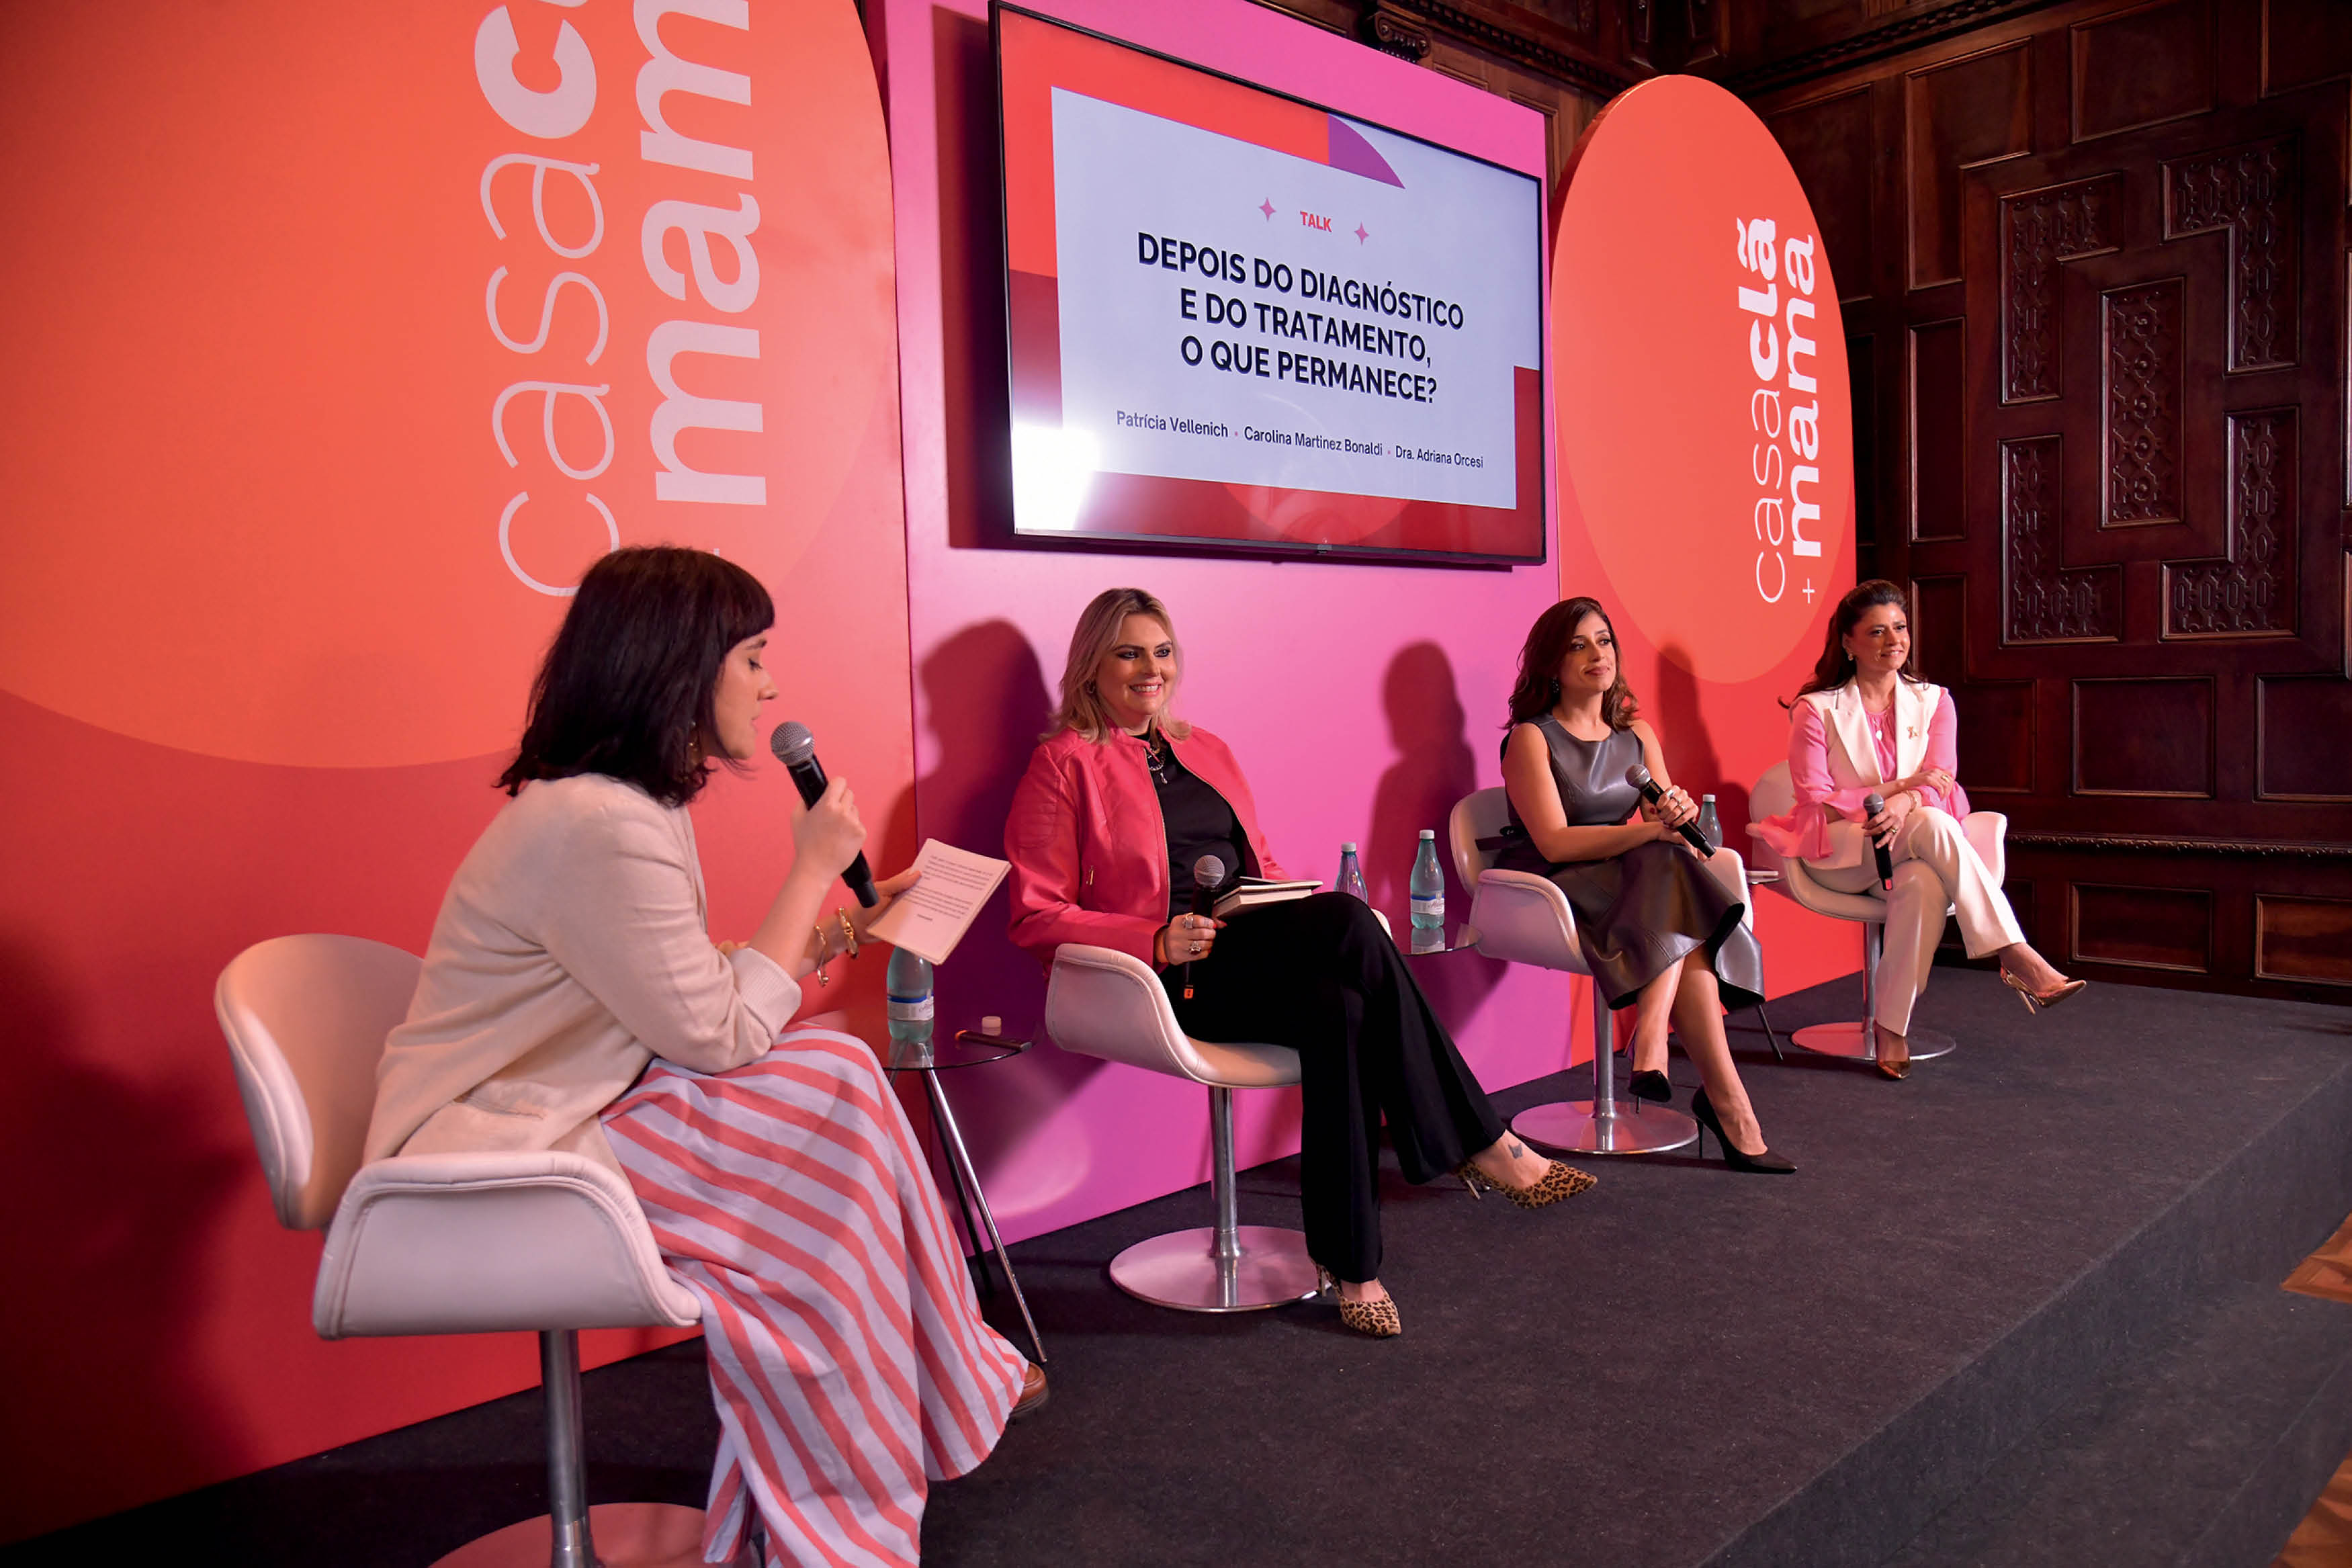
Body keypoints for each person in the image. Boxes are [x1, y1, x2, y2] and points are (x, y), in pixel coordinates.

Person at [365, 547, 1037, 1568]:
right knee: (829, 1120)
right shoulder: (598, 822)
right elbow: (717, 1034)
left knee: (839, 1077)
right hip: (511, 1142)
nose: (771, 687)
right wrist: (813, 867)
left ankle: (909, 1415)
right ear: (683, 662)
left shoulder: (623, 809)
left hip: (587, 1099)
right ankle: (873, 1469)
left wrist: (846, 927)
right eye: (754, 657)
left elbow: (697, 990)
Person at [1004, 588, 1592, 1340]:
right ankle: (1478, 1140)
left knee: (1341, 1005)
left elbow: (1265, 865)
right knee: (1348, 923)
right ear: (1091, 668)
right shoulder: (1061, 765)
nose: (1151, 670)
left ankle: (1355, 1268)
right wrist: (1151, 936)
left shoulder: (1206, 748)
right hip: (1159, 982)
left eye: (1162, 651)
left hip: (1245, 953)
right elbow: (1035, 914)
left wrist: (1275, 901)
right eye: (1128, 653)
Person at [1493, 597, 1794, 1174]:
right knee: (1673, 884)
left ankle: (1680, 1062)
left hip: (1637, 877)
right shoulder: (1532, 738)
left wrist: (1672, 817)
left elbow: (1661, 823)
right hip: (1558, 883)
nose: (1595, 654)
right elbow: (1554, 841)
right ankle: (1713, 1094)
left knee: (1671, 872)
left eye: (1603, 640)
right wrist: (1650, 837)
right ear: (1550, 664)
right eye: (1577, 645)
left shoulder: (1635, 734)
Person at [1753, 579, 2083, 1079]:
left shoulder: (1934, 702)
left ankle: (1891, 1027)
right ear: (1847, 643)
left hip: (1915, 846)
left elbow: (1942, 779)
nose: (1893, 641)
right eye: (1877, 632)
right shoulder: (1816, 709)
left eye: (1900, 628)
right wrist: (1903, 789)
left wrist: (1906, 801)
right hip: (1846, 854)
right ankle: (2014, 953)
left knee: (1922, 882)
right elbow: (1816, 799)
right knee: (1928, 817)